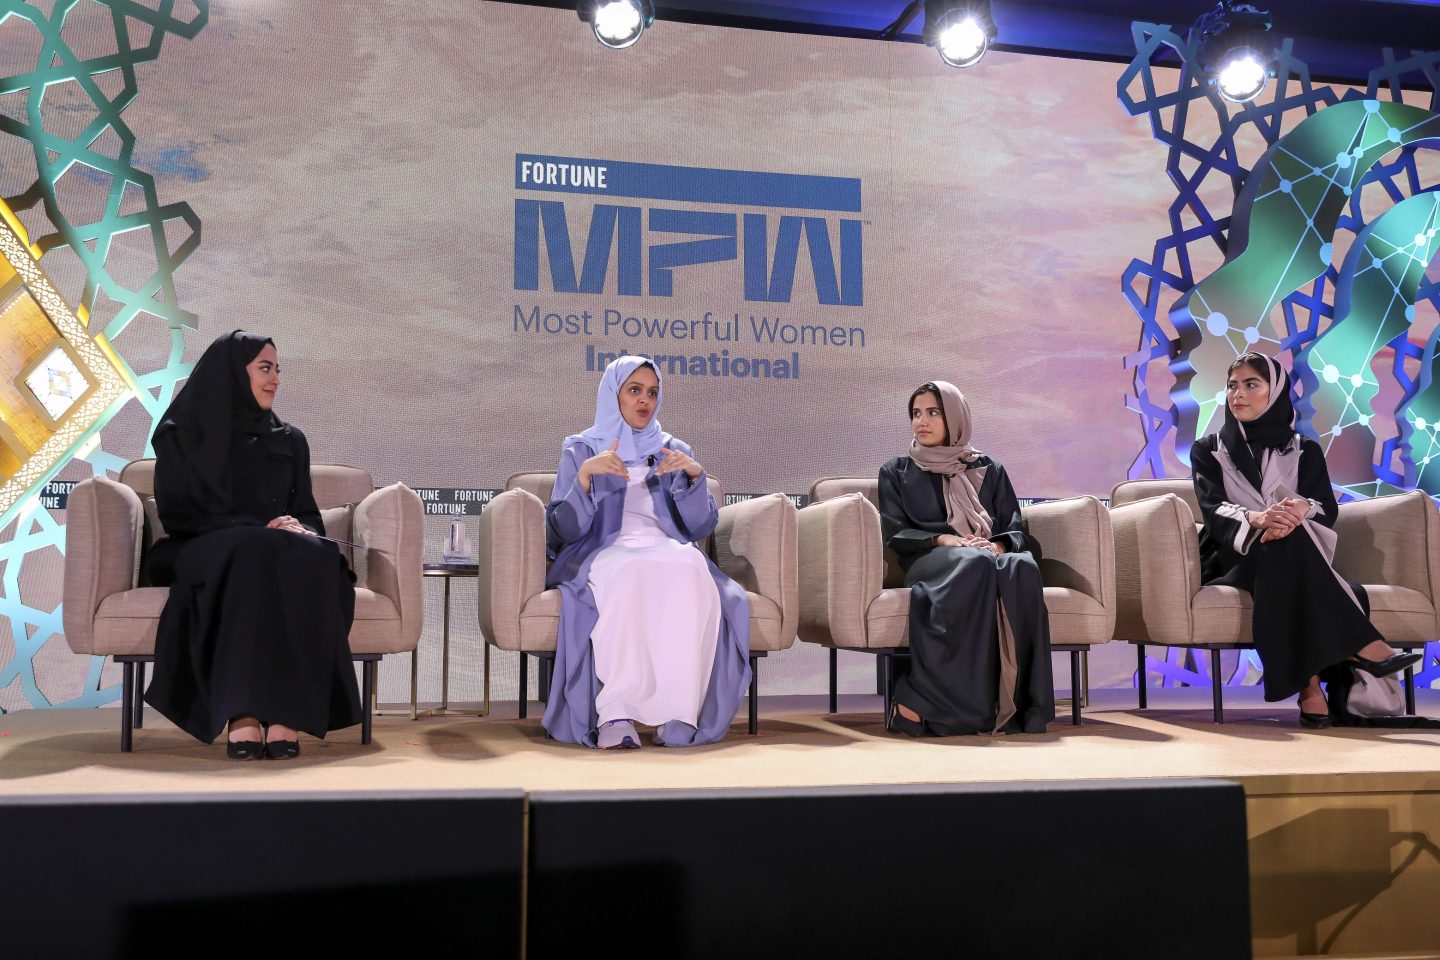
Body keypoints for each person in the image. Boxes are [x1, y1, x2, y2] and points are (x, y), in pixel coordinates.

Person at [144, 330, 361, 759]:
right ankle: (241, 714)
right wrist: (258, 524)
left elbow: (308, 513)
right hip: (202, 545)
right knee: (251, 550)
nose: (275, 379)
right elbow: (179, 513)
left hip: (273, 550)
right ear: (232, 372)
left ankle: (287, 713)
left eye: (278, 370)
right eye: (265, 368)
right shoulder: (182, 432)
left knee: (318, 555)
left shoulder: (289, 439)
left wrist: (299, 529)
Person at [1191, 352, 1421, 728]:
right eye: (1233, 385)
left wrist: (1296, 512)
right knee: (1282, 544)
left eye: (1251, 384)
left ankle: (1310, 688)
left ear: (1276, 391)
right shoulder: (1208, 449)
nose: (1238, 394)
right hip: (1230, 553)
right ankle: (1362, 649)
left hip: (1287, 550)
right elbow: (1212, 509)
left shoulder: (1305, 449)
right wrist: (1258, 518)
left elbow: (1325, 508)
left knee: (1286, 543)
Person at [544, 355, 750, 748]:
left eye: (652, 393)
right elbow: (564, 531)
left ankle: (678, 714)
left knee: (691, 566)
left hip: (665, 547)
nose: (644, 401)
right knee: (628, 573)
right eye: (634, 391)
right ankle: (615, 715)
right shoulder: (581, 448)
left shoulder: (673, 449)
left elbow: (699, 528)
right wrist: (586, 477)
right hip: (604, 550)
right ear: (613, 394)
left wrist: (694, 479)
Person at [878, 380, 1054, 736]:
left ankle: (1021, 707)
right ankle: (929, 705)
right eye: (916, 414)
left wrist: (998, 547)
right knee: (973, 563)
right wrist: (944, 539)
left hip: (984, 553)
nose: (921, 422)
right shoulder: (896, 471)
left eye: (933, 412)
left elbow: (1014, 526)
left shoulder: (990, 469)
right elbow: (895, 532)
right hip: (928, 558)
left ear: (956, 418)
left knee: (1021, 567)